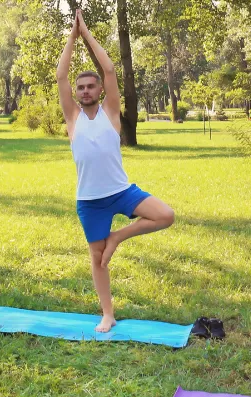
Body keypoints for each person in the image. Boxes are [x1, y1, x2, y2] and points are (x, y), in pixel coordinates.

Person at [57, 10, 175, 333]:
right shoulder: (72, 118)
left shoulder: (111, 111)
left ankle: (118, 237)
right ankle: (107, 313)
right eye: (80, 88)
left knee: (165, 215)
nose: (83, 91)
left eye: (89, 86)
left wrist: (87, 35)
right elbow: (61, 77)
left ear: (99, 91)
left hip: (121, 192)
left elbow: (108, 68)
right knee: (98, 259)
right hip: (90, 201)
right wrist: (71, 36)